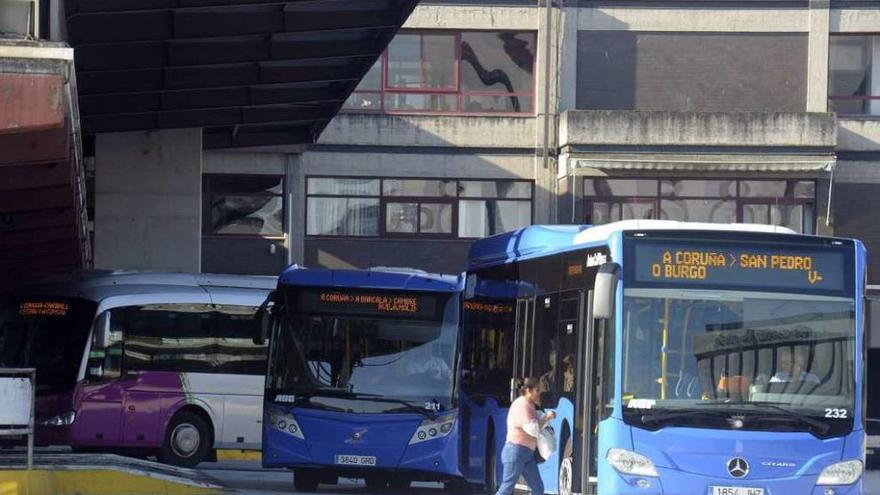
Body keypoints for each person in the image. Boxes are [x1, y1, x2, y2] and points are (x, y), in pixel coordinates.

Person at [495, 377, 556, 495]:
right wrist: (546, 418)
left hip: (526, 454)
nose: (539, 394)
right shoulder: (522, 405)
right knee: (506, 488)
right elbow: (533, 430)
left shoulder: (530, 405)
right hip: (516, 452)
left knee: (538, 488)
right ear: (528, 390)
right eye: (537, 390)